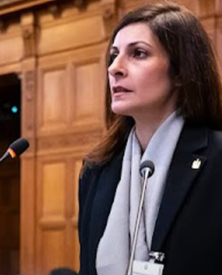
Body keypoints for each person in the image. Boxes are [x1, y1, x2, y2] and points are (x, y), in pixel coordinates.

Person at [78, 2, 222, 275]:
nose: (114, 68)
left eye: (139, 54)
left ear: (181, 72)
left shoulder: (217, 160)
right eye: (114, 55)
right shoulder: (95, 172)